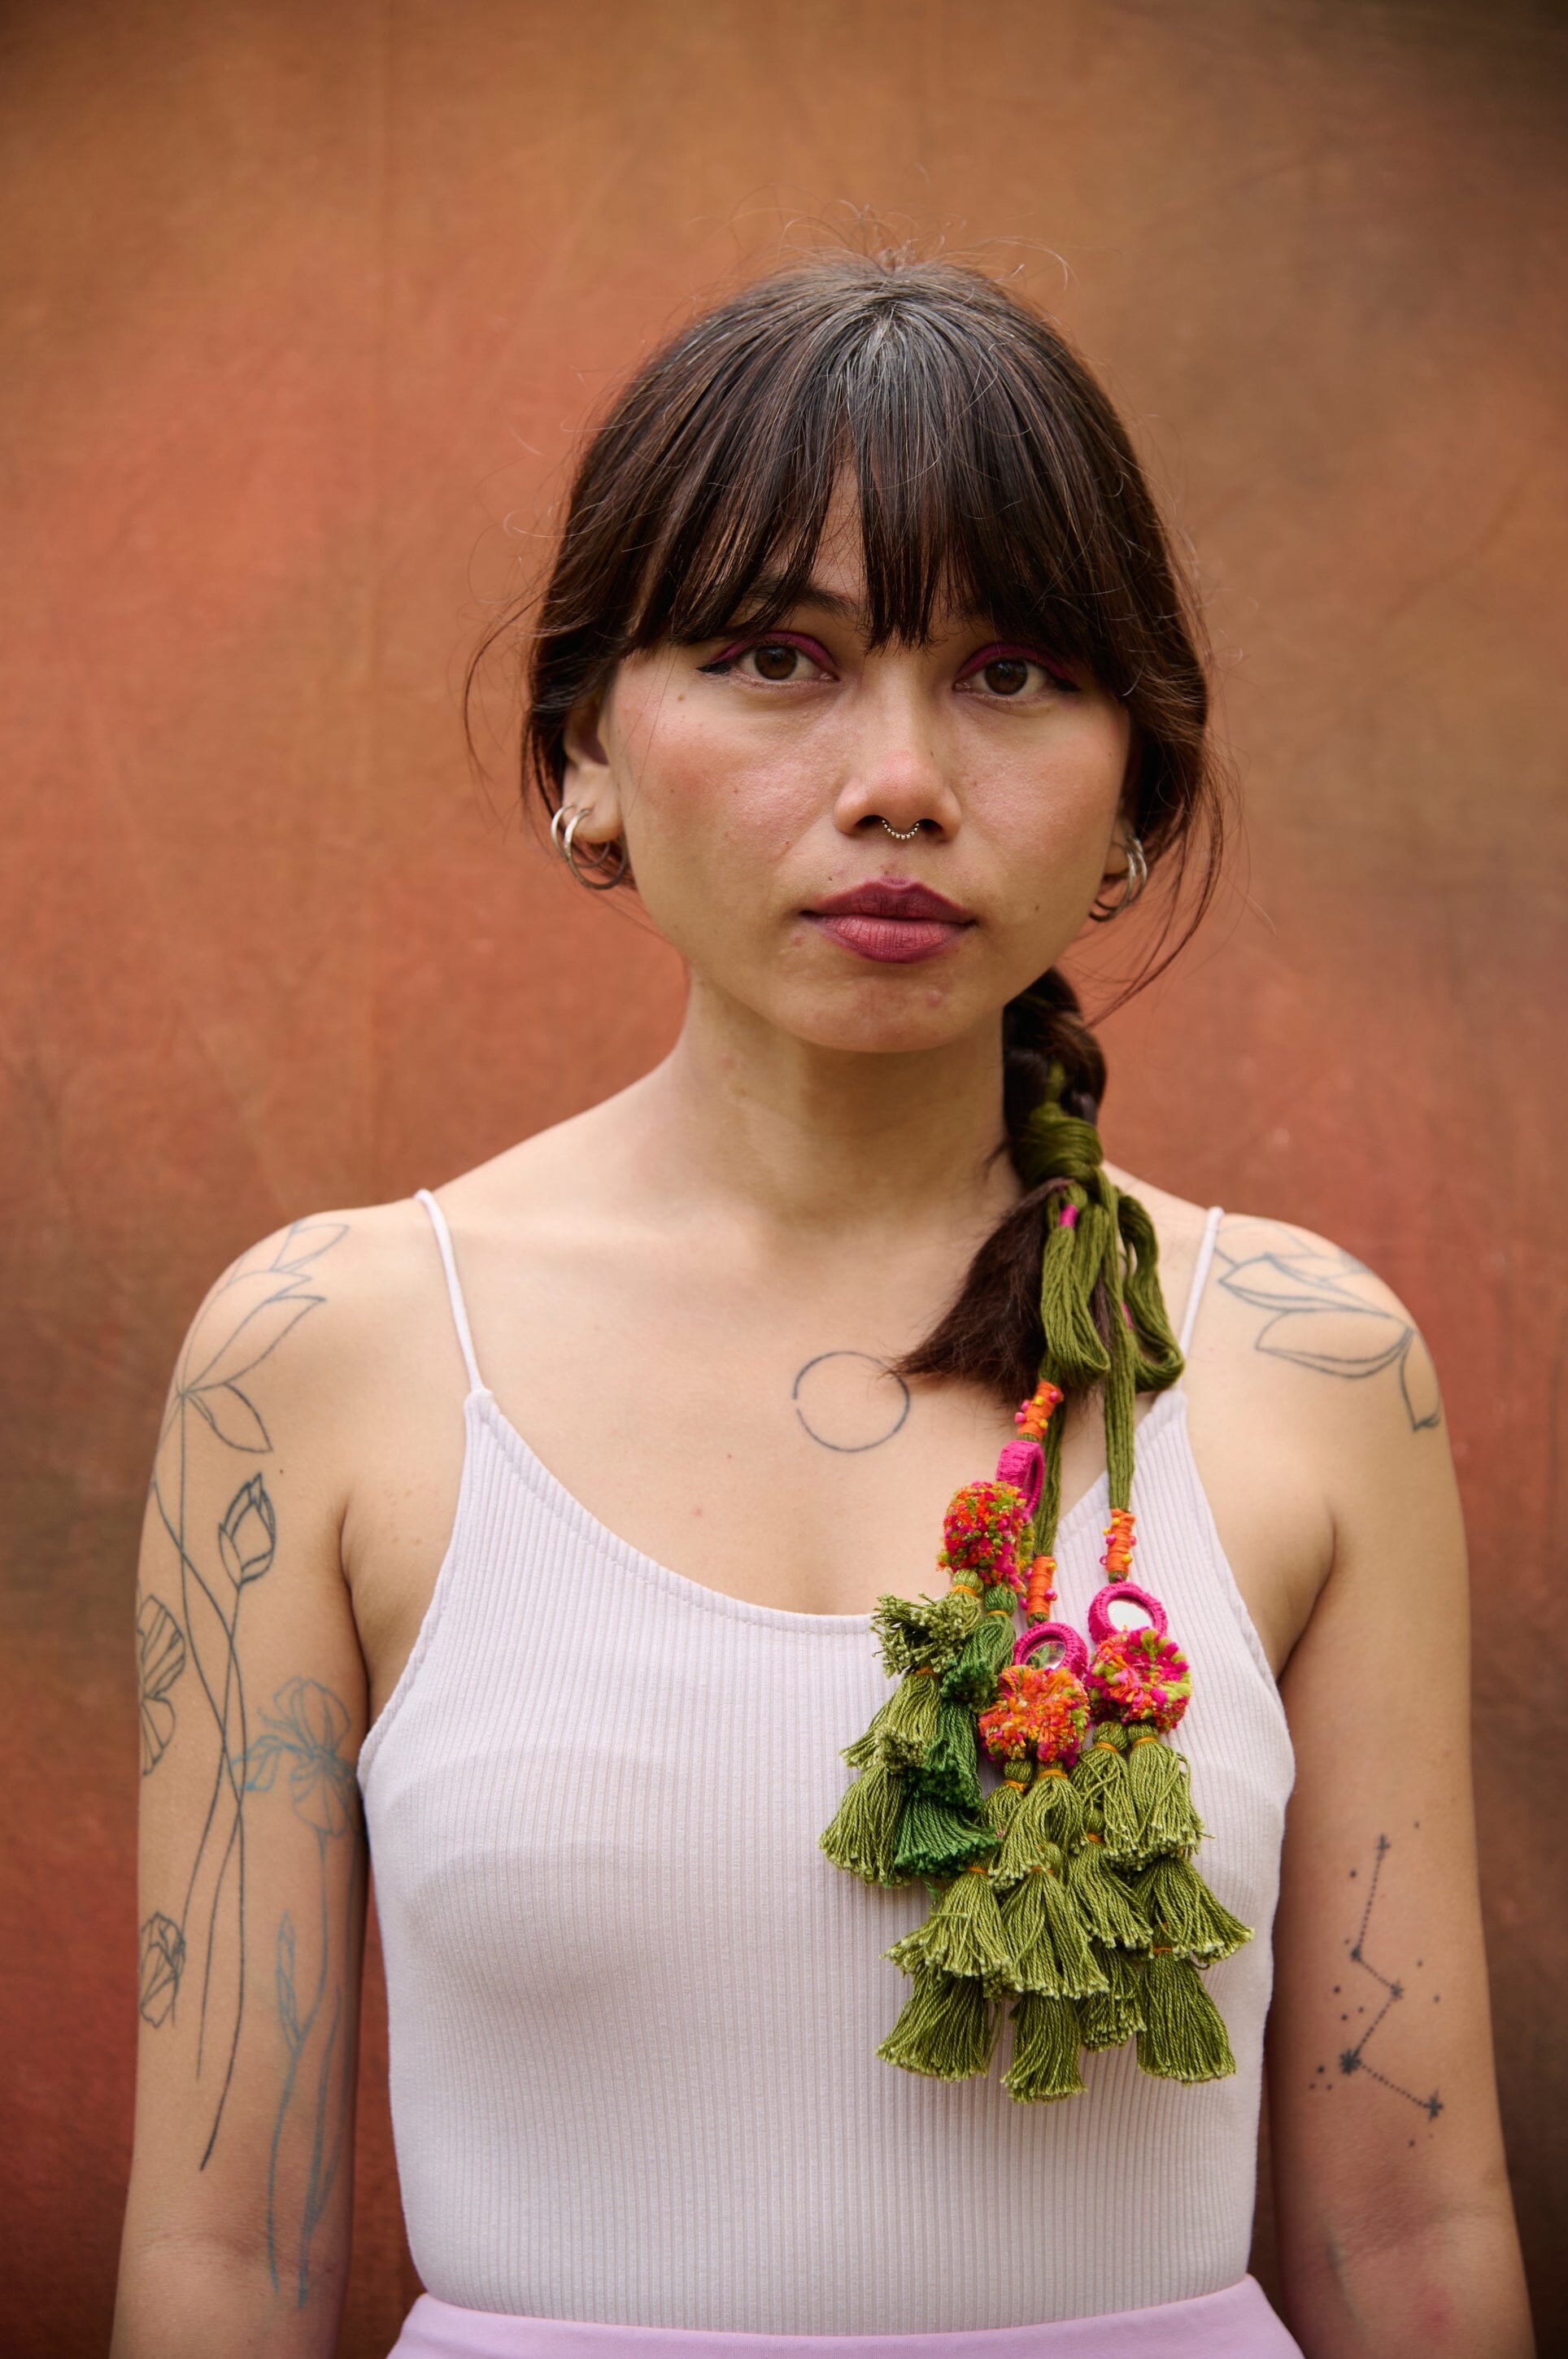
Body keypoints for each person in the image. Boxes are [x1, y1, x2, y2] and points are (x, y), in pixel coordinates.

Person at [112, 251, 1531, 2359]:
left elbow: (1411, 2238)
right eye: (778, 658)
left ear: (1135, 803)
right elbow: (225, 2258)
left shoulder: (1314, 1364)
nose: (900, 778)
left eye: (1013, 670)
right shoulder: (326, 1353)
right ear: (585, 752)